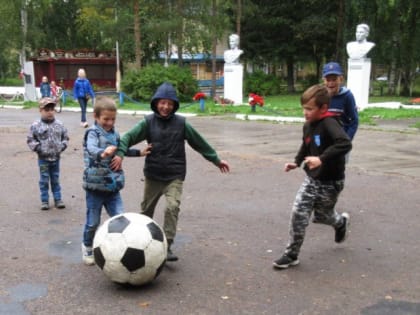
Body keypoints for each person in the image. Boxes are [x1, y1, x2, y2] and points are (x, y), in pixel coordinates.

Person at [111, 82, 230, 262]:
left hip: (175, 174)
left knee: (172, 207)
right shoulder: (148, 122)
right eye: (162, 103)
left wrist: (216, 160)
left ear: (174, 105)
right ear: (156, 103)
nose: (165, 107)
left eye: (169, 103)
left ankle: (166, 246)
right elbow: (128, 137)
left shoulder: (182, 124)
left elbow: (199, 143)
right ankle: (141, 243)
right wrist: (120, 154)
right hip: (153, 174)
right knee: (146, 212)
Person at [273, 84, 352, 269]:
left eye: (309, 108)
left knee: (323, 216)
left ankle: (341, 222)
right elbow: (306, 144)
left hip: (331, 182)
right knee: (298, 212)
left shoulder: (330, 123)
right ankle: (291, 255)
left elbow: (345, 143)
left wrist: (321, 158)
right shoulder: (308, 125)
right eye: (304, 108)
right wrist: (297, 161)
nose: (305, 112)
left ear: (323, 108)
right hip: (312, 179)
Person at [81, 96, 150, 265]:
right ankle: (87, 246)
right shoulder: (92, 133)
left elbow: (121, 150)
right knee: (93, 222)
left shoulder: (114, 134)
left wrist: (139, 153)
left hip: (112, 187)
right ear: (96, 117)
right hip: (95, 187)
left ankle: (118, 247)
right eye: (106, 119)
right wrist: (102, 153)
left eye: (113, 119)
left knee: (119, 219)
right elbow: (91, 149)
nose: (110, 123)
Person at [27, 97, 69, 210]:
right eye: (47, 110)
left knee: (55, 179)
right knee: (44, 179)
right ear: (40, 110)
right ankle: (45, 201)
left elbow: (65, 137)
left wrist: (62, 146)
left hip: (56, 158)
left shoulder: (59, 124)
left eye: (52, 109)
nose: (50, 112)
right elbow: (30, 139)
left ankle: (58, 199)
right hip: (43, 159)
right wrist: (39, 148)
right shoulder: (36, 125)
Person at [322, 62, 359, 140]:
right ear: (323, 80)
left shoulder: (347, 96)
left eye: (334, 79)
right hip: (324, 140)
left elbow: (354, 121)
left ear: (341, 79)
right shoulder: (320, 96)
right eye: (328, 80)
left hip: (340, 139)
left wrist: (347, 140)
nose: (331, 83)